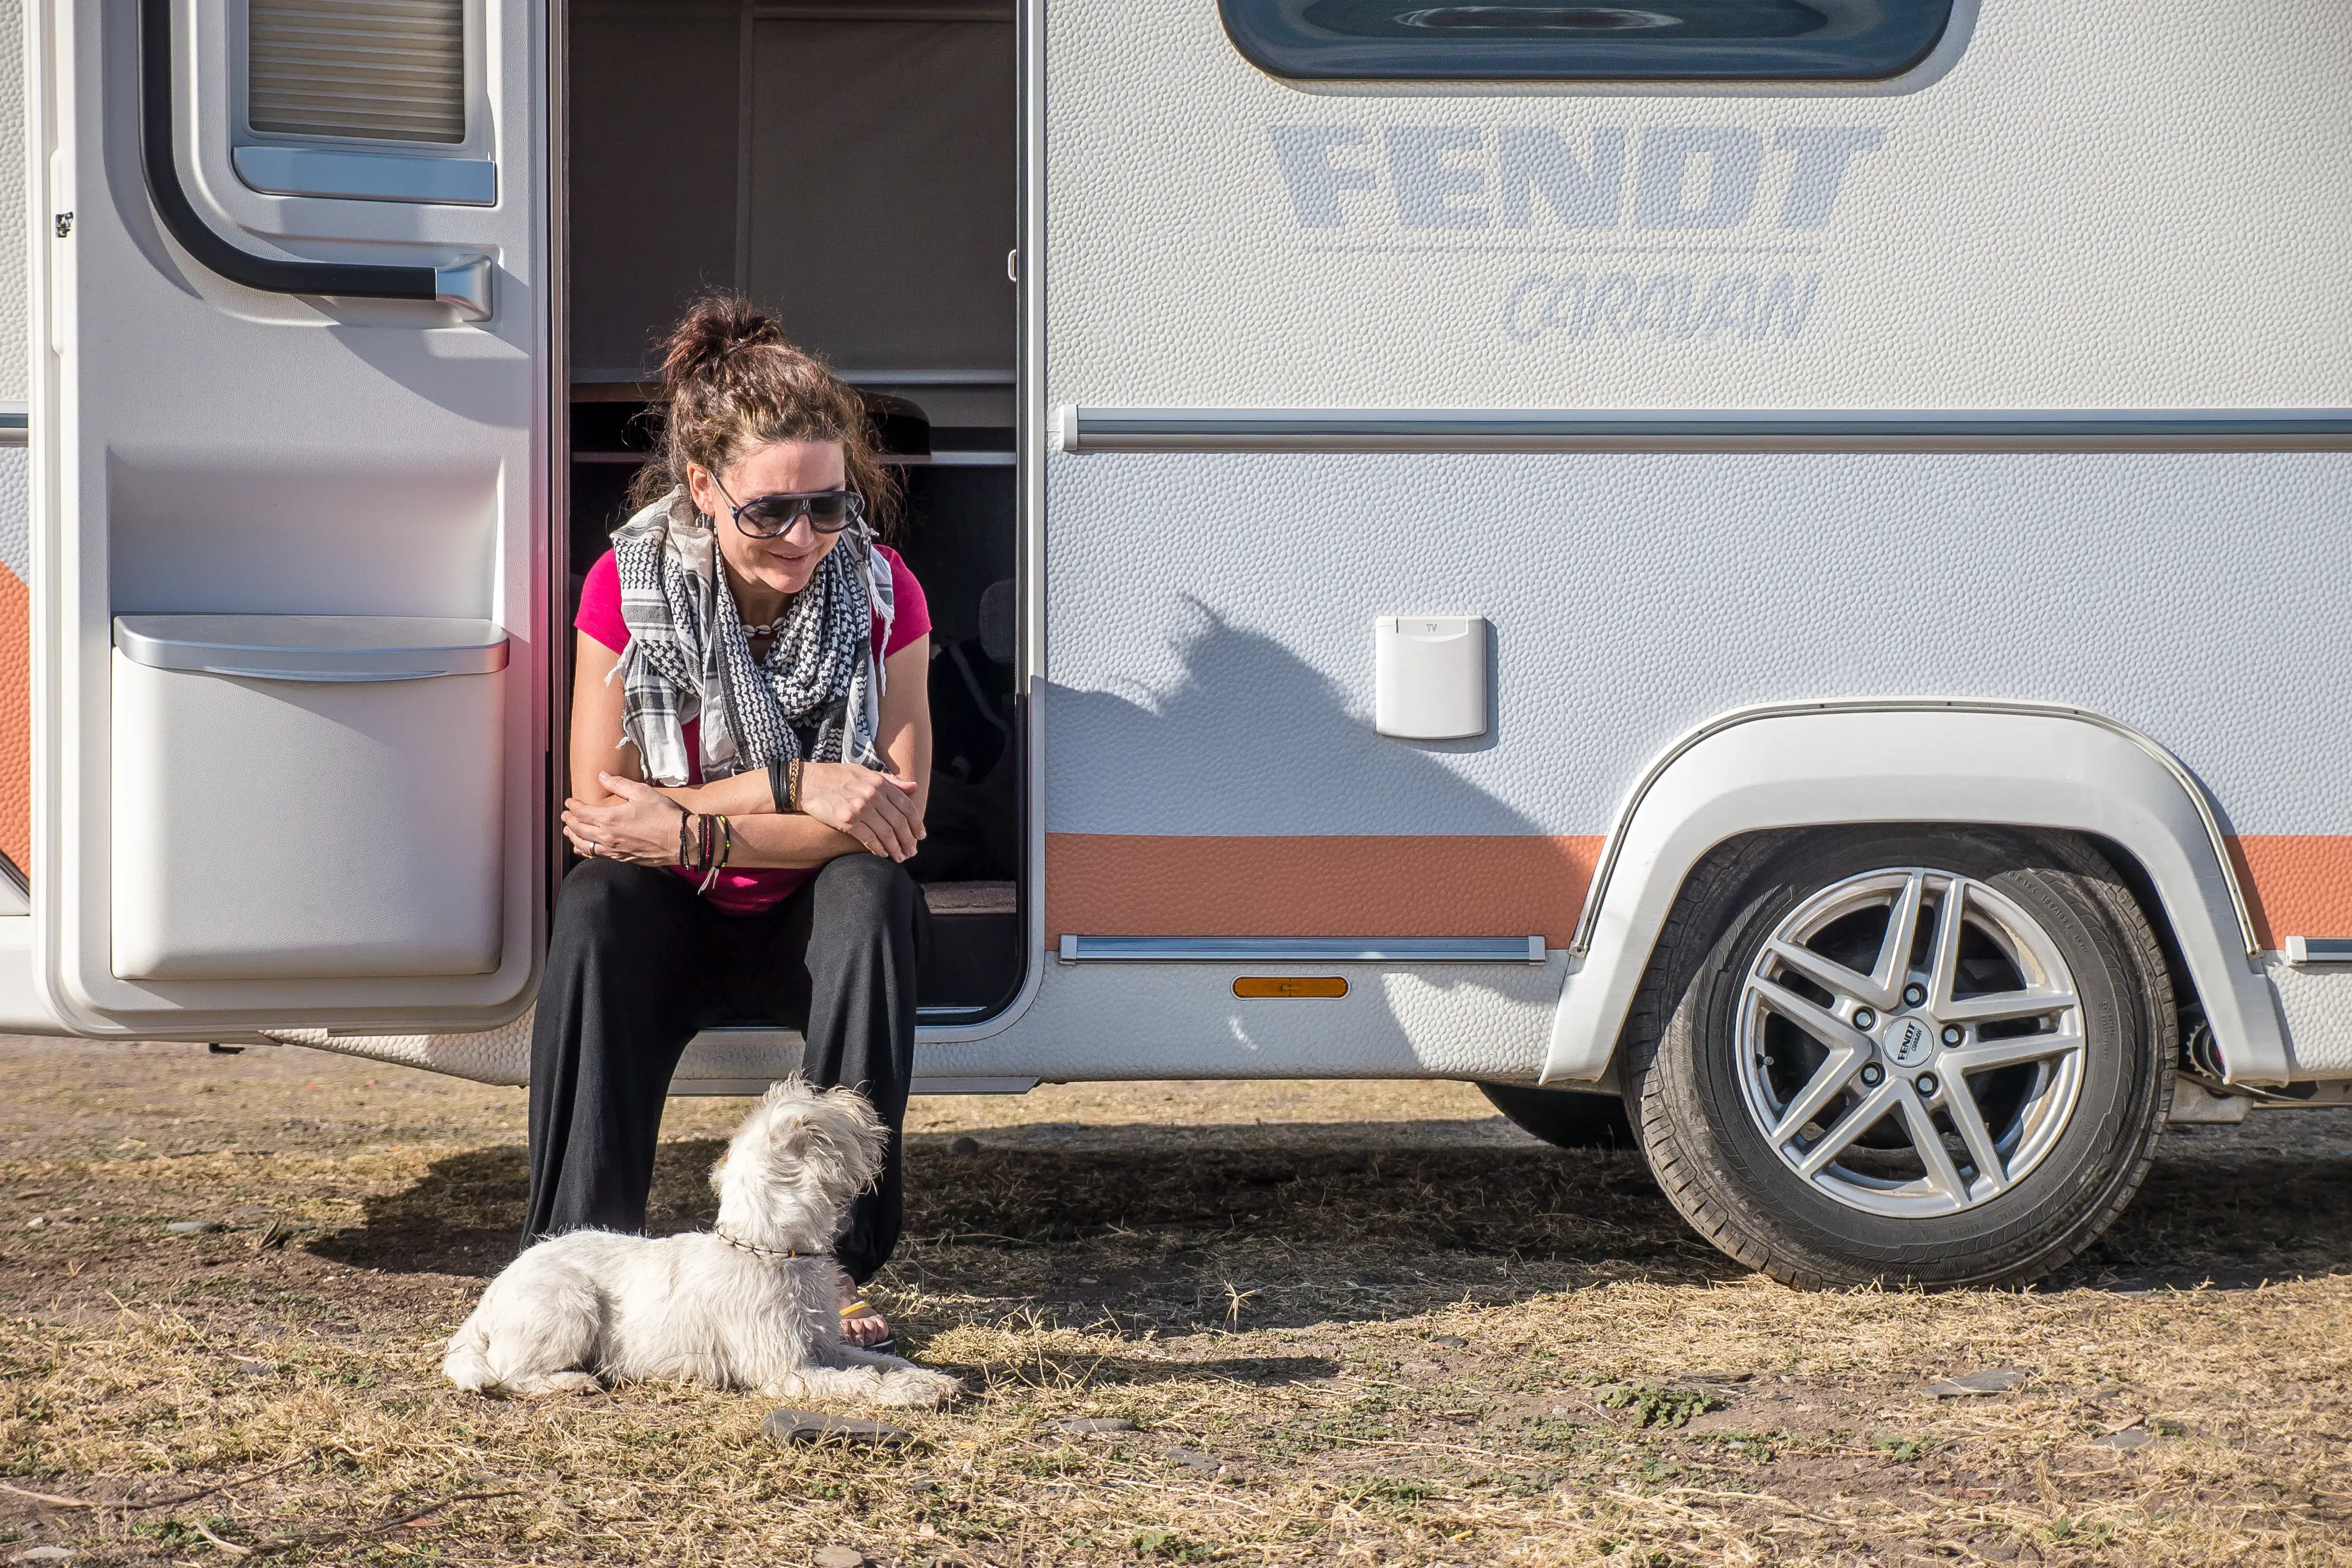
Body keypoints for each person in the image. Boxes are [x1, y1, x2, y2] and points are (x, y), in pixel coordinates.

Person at [526, 295, 932, 1350]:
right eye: (769, 512)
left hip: (803, 918)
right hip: (675, 913)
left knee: (873, 898)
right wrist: (794, 782)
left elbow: (889, 820)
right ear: (704, 488)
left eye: (829, 506)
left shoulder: (885, 595)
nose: (803, 536)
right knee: (597, 903)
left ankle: (825, 1266)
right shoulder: (629, 583)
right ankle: (579, 1253)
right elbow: (604, 811)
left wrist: (692, 821)